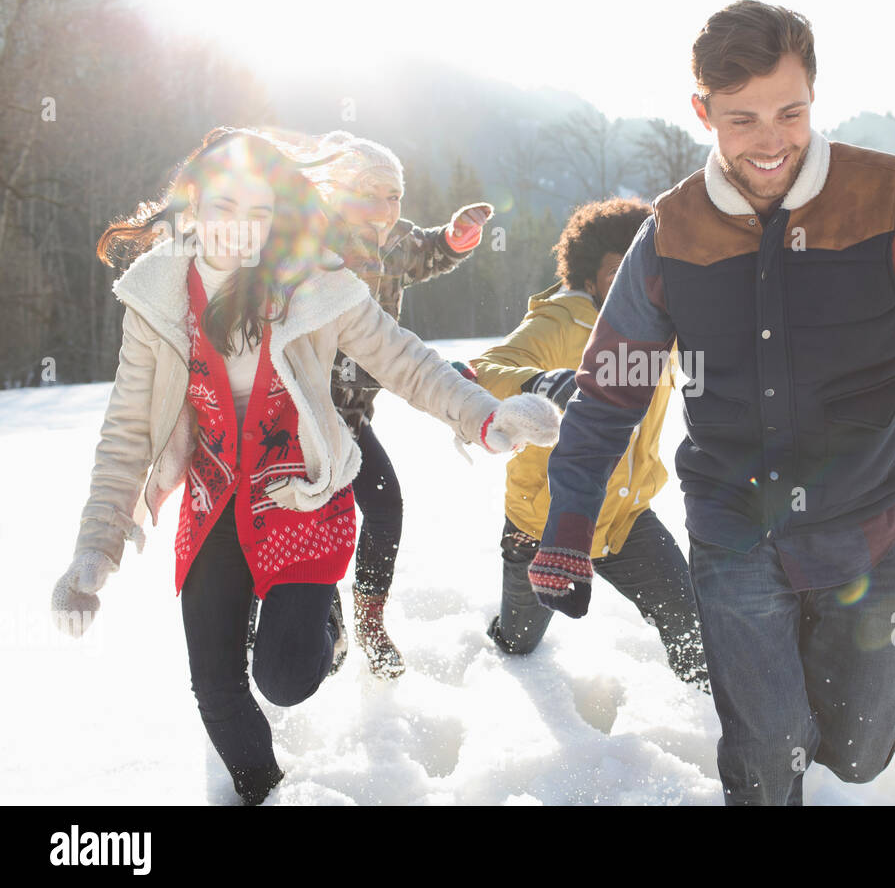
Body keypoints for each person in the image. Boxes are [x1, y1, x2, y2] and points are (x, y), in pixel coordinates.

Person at [525, 0, 895, 805]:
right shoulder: (673, 233)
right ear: (701, 111)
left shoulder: (889, 202)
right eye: (741, 119)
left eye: (791, 111)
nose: (770, 139)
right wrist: (568, 524)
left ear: (814, 96)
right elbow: (608, 396)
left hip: (862, 533)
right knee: (769, 758)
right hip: (733, 534)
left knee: (859, 751)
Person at [50, 127, 560, 805]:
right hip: (212, 509)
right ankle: (266, 792)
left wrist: (486, 417)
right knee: (216, 686)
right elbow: (125, 433)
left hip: (302, 497)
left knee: (286, 679)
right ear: (193, 203)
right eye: (224, 207)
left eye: (260, 212)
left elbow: (405, 360)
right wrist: (94, 550)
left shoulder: (315, 283)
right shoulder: (157, 297)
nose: (240, 229)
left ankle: (322, 622)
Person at [468, 198, 708, 688]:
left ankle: (715, 715)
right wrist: (541, 383)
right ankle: (502, 640)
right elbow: (483, 371)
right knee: (519, 642)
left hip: (624, 518)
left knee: (693, 633)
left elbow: (714, 367)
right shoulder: (563, 320)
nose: (631, 282)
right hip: (543, 523)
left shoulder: (663, 322)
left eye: (641, 267)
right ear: (590, 272)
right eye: (617, 269)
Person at [299, 131, 494, 678]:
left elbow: (424, 251)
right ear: (338, 194)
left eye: (395, 196)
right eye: (373, 193)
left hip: (355, 420)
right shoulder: (313, 252)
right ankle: (316, 620)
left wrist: (454, 239)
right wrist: (432, 376)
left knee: (385, 508)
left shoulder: (392, 240)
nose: (387, 209)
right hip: (302, 422)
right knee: (313, 523)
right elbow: (336, 354)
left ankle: (368, 619)